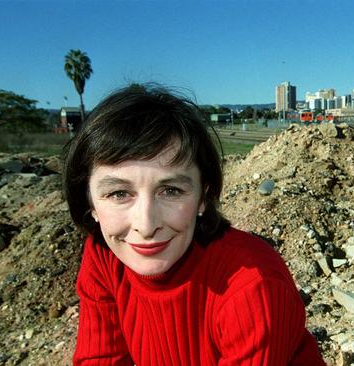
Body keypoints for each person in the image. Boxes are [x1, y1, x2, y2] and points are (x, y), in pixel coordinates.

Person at [62, 84, 326, 365]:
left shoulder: (253, 287)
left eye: (171, 191)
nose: (146, 225)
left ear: (203, 196)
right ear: (91, 204)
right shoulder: (105, 257)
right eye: (119, 194)